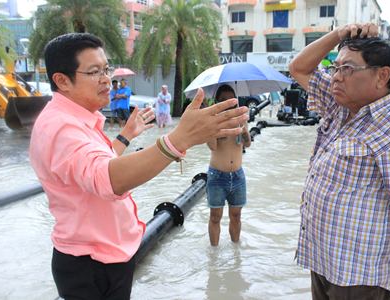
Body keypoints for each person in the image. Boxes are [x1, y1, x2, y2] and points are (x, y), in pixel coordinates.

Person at [29, 33, 248, 300]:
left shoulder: (77, 120)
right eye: (94, 71)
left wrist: (126, 136)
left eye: (106, 69)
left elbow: (93, 164)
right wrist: (178, 140)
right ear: (62, 80)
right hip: (90, 264)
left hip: (106, 254)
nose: (106, 79)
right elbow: (105, 178)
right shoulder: (61, 126)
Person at [289, 23, 390, 300]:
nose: (336, 77)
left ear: (382, 76)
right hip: (322, 259)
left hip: (359, 277)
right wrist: (339, 34)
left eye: (348, 69)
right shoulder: (340, 106)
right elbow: (299, 68)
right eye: (336, 68)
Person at [206, 84, 251, 246]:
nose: (228, 103)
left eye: (231, 100)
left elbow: (247, 145)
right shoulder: (213, 123)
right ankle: (214, 256)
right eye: (223, 100)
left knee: (236, 215)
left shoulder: (241, 120)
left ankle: (236, 252)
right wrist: (213, 128)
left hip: (238, 176)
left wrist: (244, 131)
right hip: (217, 176)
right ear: (217, 102)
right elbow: (212, 146)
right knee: (215, 217)